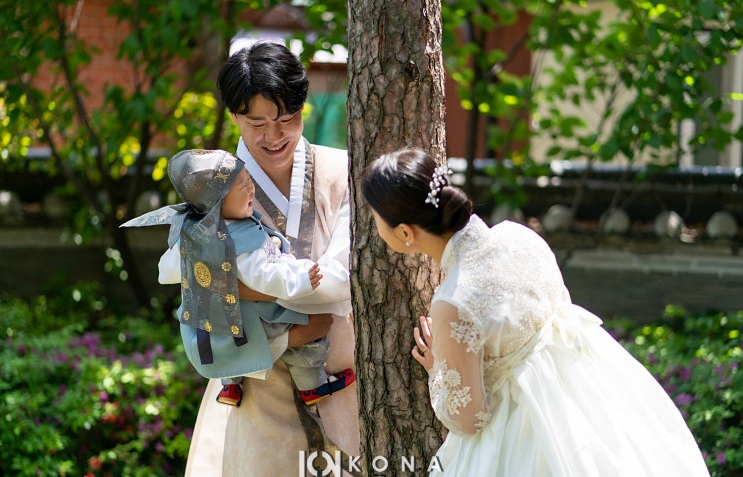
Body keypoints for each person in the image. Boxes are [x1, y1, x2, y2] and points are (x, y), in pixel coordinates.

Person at [361, 148, 710, 477]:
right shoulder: (519, 236)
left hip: (522, 430)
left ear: (405, 232)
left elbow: (469, 418)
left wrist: (438, 368)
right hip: (585, 394)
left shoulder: (452, 301)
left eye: (376, 218)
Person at [159, 41, 359, 476]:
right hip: (251, 385)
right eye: (257, 123)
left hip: (339, 379)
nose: (274, 136)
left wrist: (234, 285)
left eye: (287, 119)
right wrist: (293, 327)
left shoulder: (343, 171)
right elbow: (185, 277)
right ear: (234, 117)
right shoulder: (211, 185)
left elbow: (344, 283)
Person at [123, 149, 355, 408]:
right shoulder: (241, 242)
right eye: (242, 186)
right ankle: (313, 385)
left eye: (249, 180)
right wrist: (301, 279)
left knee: (220, 340)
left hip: (211, 320)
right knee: (309, 337)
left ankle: (231, 385)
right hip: (252, 318)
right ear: (217, 203)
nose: (251, 189)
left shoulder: (195, 230)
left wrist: (202, 271)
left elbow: (166, 271)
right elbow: (266, 277)